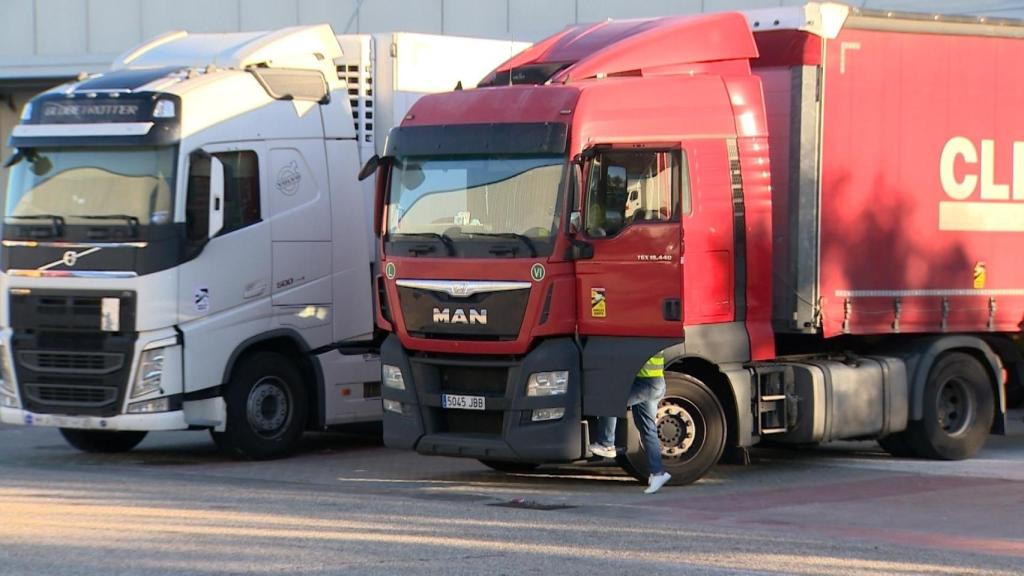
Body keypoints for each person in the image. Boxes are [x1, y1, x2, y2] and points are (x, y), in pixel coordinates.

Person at [589, 353, 671, 494]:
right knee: (648, 429)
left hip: (646, 383)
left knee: (610, 403)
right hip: (655, 382)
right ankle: (658, 473)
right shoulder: (654, 333)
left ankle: (606, 444)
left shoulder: (644, 334)